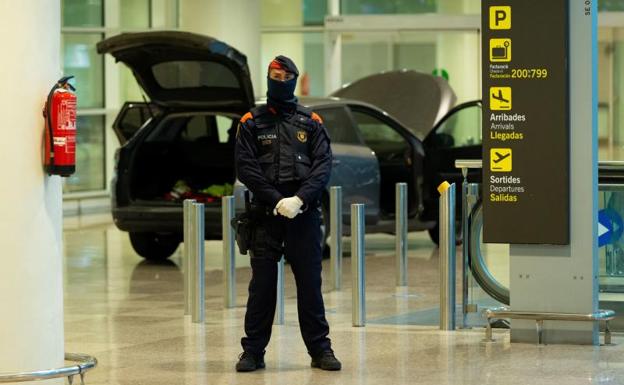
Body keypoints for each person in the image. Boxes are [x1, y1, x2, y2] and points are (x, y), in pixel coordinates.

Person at [234, 55, 341, 372]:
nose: (278, 80)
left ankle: (321, 351)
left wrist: (299, 199)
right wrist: (276, 199)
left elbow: (323, 167)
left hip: (303, 216)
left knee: (310, 285)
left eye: (284, 75)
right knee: (262, 287)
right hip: (266, 216)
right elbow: (247, 168)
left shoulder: (312, 123)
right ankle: (252, 352)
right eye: (273, 75)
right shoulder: (251, 122)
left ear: (294, 79)